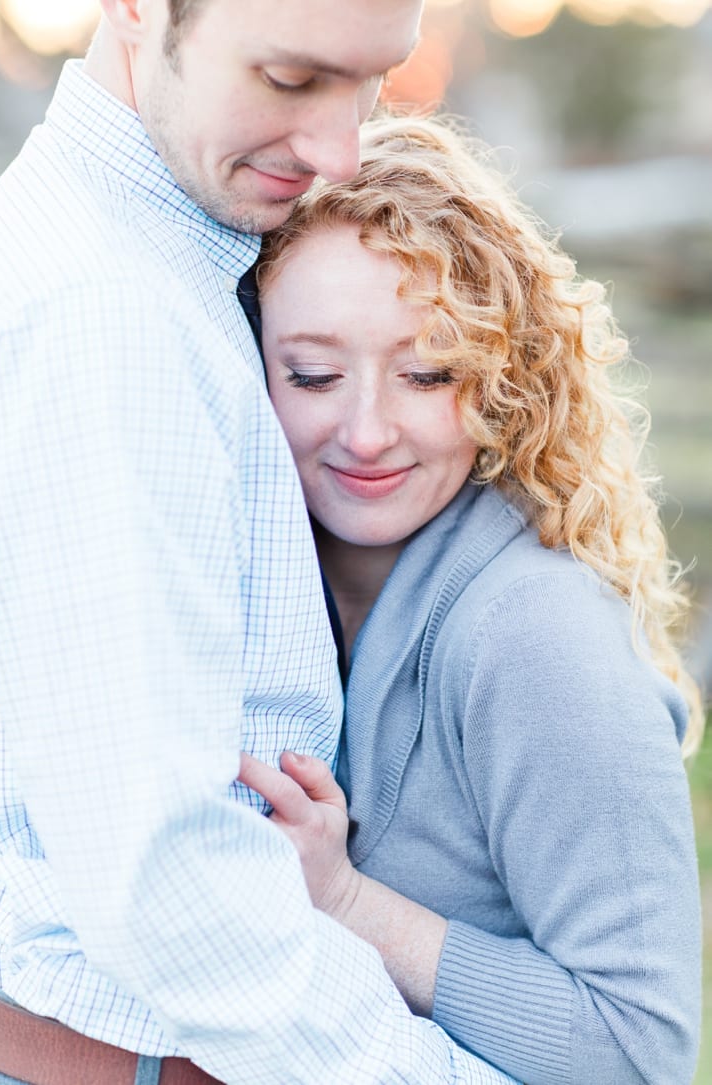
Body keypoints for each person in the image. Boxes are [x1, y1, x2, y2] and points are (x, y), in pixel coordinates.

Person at [0, 3, 520, 1084]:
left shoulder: (169, 256)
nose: (339, 148)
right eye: (289, 78)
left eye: (371, 83)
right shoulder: (112, 313)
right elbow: (166, 881)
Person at [240, 112, 705, 1085]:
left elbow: (640, 1043)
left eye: (428, 372)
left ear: (503, 380)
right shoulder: (272, 583)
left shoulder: (535, 632)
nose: (367, 431)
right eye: (314, 373)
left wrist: (348, 900)